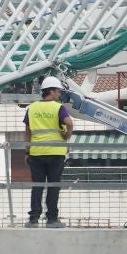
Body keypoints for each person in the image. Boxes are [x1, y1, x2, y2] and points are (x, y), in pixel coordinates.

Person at [24, 75, 73, 228]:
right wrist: (67, 134)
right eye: (58, 91)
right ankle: (52, 219)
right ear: (51, 92)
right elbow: (69, 123)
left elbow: (27, 131)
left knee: (37, 185)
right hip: (55, 152)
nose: (59, 94)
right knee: (53, 186)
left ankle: (33, 219)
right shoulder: (58, 107)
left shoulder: (31, 108)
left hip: (36, 152)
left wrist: (27, 151)